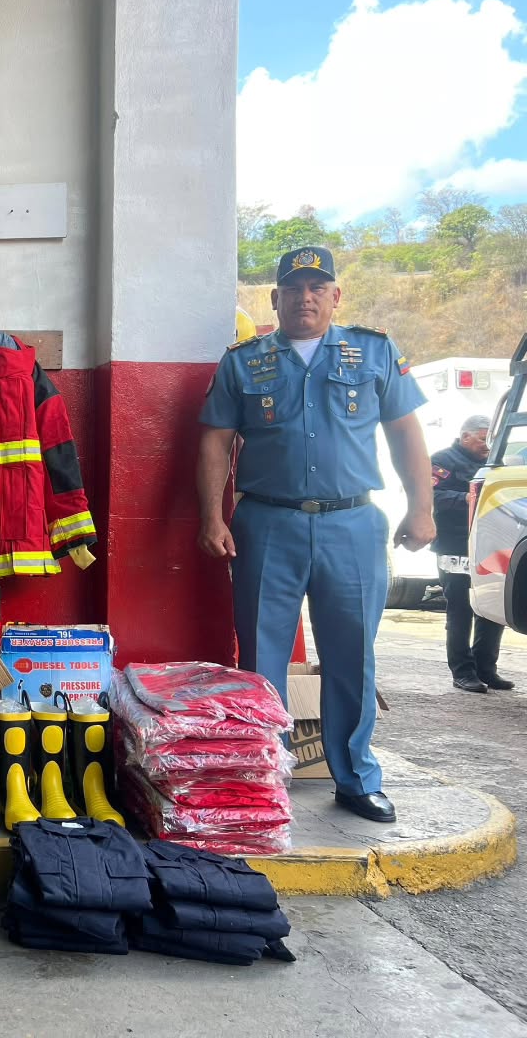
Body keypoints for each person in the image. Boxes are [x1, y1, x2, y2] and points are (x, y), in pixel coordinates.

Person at [196, 246, 434, 823]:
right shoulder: (243, 362)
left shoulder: (374, 352)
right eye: (293, 288)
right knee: (261, 654)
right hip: (266, 522)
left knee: (351, 654)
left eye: (316, 287)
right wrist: (212, 515)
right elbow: (214, 442)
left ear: (335, 296)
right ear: (274, 299)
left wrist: (422, 509)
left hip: (352, 523)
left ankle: (354, 776)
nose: (305, 297)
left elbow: (406, 435)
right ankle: (267, 773)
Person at [431, 414, 512, 693]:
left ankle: (486, 668)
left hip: (489, 546)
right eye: (481, 438)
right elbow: (430, 495)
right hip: (455, 547)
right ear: (465, 436)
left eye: (490, 438)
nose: (487, 444)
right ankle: (463, 672)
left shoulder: (495, 464)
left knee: (490, 607)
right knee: (460, 609)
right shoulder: (443, 460)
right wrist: (464, 498)